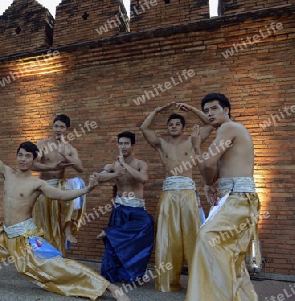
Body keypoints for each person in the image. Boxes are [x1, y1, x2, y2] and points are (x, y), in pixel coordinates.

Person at [0, 115, 130, 301]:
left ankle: (109, 287)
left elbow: (63, 195)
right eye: (20, 155)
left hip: (25, 238)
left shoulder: (36, 184)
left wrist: (87, 189)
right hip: (4, 233)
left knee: (55, 266)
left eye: (28, 156)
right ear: (17, 157)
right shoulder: (7, 173)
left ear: (34, 161)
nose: (23, 159)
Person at [185, 93, 260, 301]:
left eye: (214, 109)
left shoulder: (229, 128)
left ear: (226, 110)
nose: (209, 113)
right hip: (234, 198)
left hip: (239, 197)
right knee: (229, 253)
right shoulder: (223, 134)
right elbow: (210, 172)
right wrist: (208, 181)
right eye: (206, 110)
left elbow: (208, 166)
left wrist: (208, 180)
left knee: (207, 239)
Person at [140, 102, 213, 292]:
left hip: (188, 192)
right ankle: (168, 282)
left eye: (177, 124)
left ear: (183, 127)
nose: (173, 126)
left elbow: (209, 125)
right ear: (167, 127)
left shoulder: (191, 141)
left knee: (193, 235)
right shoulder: (161, 144)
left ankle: (198, 284)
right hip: (169, 193)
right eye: (170, 124)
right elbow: (144, 128)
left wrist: (192, 109)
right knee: (167, 237)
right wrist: (157, 110)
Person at [95, 131, 154, 284]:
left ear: (133, 146)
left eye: (126, 143)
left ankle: (110, 233)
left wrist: (125, 166)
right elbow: (98, 177)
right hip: (120, 208)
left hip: (137, 208)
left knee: (147, 225)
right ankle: (114, 275)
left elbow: (143, 179)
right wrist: (116, 173)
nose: (123, 146)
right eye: (120, 143)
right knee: (116, 246)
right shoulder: (112, 166)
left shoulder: (141, 164)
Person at [32, 114, 86, 254]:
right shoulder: (42, 144)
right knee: (46, 223)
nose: (58, 129)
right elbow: (33, 165)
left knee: (78, 184)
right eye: (56, 126)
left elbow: (80, 168)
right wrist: (53, 167)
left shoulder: (69, 148)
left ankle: (68, 229)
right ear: (52, 127)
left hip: (60, 186)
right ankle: (43, 254)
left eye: (62, 127)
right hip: (44, 186)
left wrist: (64, 154)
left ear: (66, 129)